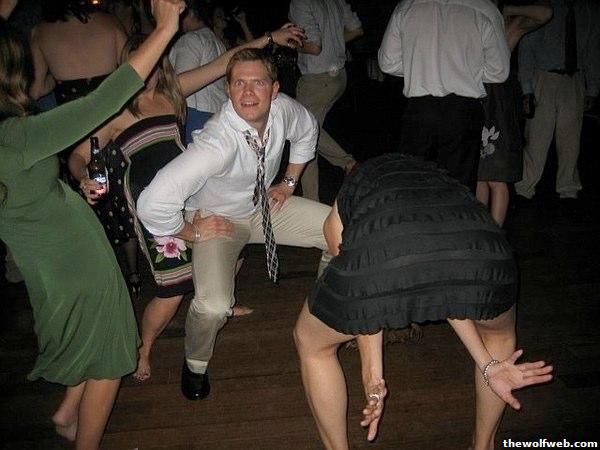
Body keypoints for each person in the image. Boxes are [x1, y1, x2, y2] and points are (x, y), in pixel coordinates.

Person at [70, 26, 306, 383]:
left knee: (230, 249)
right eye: (139, 64)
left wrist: (268, 37)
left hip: (192, 189)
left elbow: (224, 64)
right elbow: (78, 155)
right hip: (152, 197)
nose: (146, 74)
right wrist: (82, 177)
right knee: (174, 288)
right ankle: (144, 347)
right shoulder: (115, 110)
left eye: (153, 64)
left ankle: (222, 302)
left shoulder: (172, 91)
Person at [0, 1, 185, 448]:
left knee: (88, 333)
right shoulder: (16, 136)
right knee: (110, 354)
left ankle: (68, 412)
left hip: (41, 260)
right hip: (74, 258)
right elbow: (105, 99)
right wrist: (164, 28)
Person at [294, 154, 553, 450]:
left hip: (401, 252)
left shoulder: (353, 186)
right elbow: (443, 281)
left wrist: (372, 376)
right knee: (498, 337)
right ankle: (483, 445)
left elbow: (366, 292)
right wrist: (487, 364)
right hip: (483, 250)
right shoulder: (434, 174)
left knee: (311, 343)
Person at [136, 48, 332, 401]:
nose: (248, 92)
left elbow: (307, 130)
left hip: (264, 207)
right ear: (227, 89)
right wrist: (191, 231)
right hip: (219, 221)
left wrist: (289, 182)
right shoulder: (217, 142)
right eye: (239, 83)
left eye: (258, 82)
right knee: (213, 306)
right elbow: (152, 203)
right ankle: (195, 364)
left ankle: (325, 317)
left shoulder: (283, 110)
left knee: (339, 232)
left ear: (274, 89)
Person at [378, 0, 511, 192]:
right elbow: (499, 71)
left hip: (420, 109)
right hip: (462, 111)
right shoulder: (484, 9)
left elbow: (388, 62)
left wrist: (419, 68)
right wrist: (467, 71)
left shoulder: (407, 6)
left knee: (412, 183)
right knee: (458, 188)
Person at [477, 1, 554, 226]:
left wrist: (507, 9)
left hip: (497, 104)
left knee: (497, 176)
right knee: (479, 175)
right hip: (473, 100)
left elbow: (545, 12)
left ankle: (496, 233)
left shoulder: (507, 28)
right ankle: (481, 230)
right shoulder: (470, 22)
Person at [515, 0, 600, 202]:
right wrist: (527, 89)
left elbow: (593, 49)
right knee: (537, 138)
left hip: (575, 78)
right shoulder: (544, 7)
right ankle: (525, 187)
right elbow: (527, 47)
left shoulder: (588, 10)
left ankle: (568, 189)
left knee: (571, 140)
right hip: (544, 77)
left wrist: (593, 88)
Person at [288, 0, 361, 202]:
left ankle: (345, 166)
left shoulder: (300, 3)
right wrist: (333, 44)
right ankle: (346, 166)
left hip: (317, 80)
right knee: (310, 132)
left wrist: (289, 43)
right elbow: (356, 30)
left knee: (303, 134)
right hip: (338, 76)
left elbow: (313, 46)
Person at [169, 0, 228, 144]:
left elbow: (180, 87)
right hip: (219, 116)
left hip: (195, 117)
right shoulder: (218, 43)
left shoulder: (191, 39)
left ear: (190, 13)